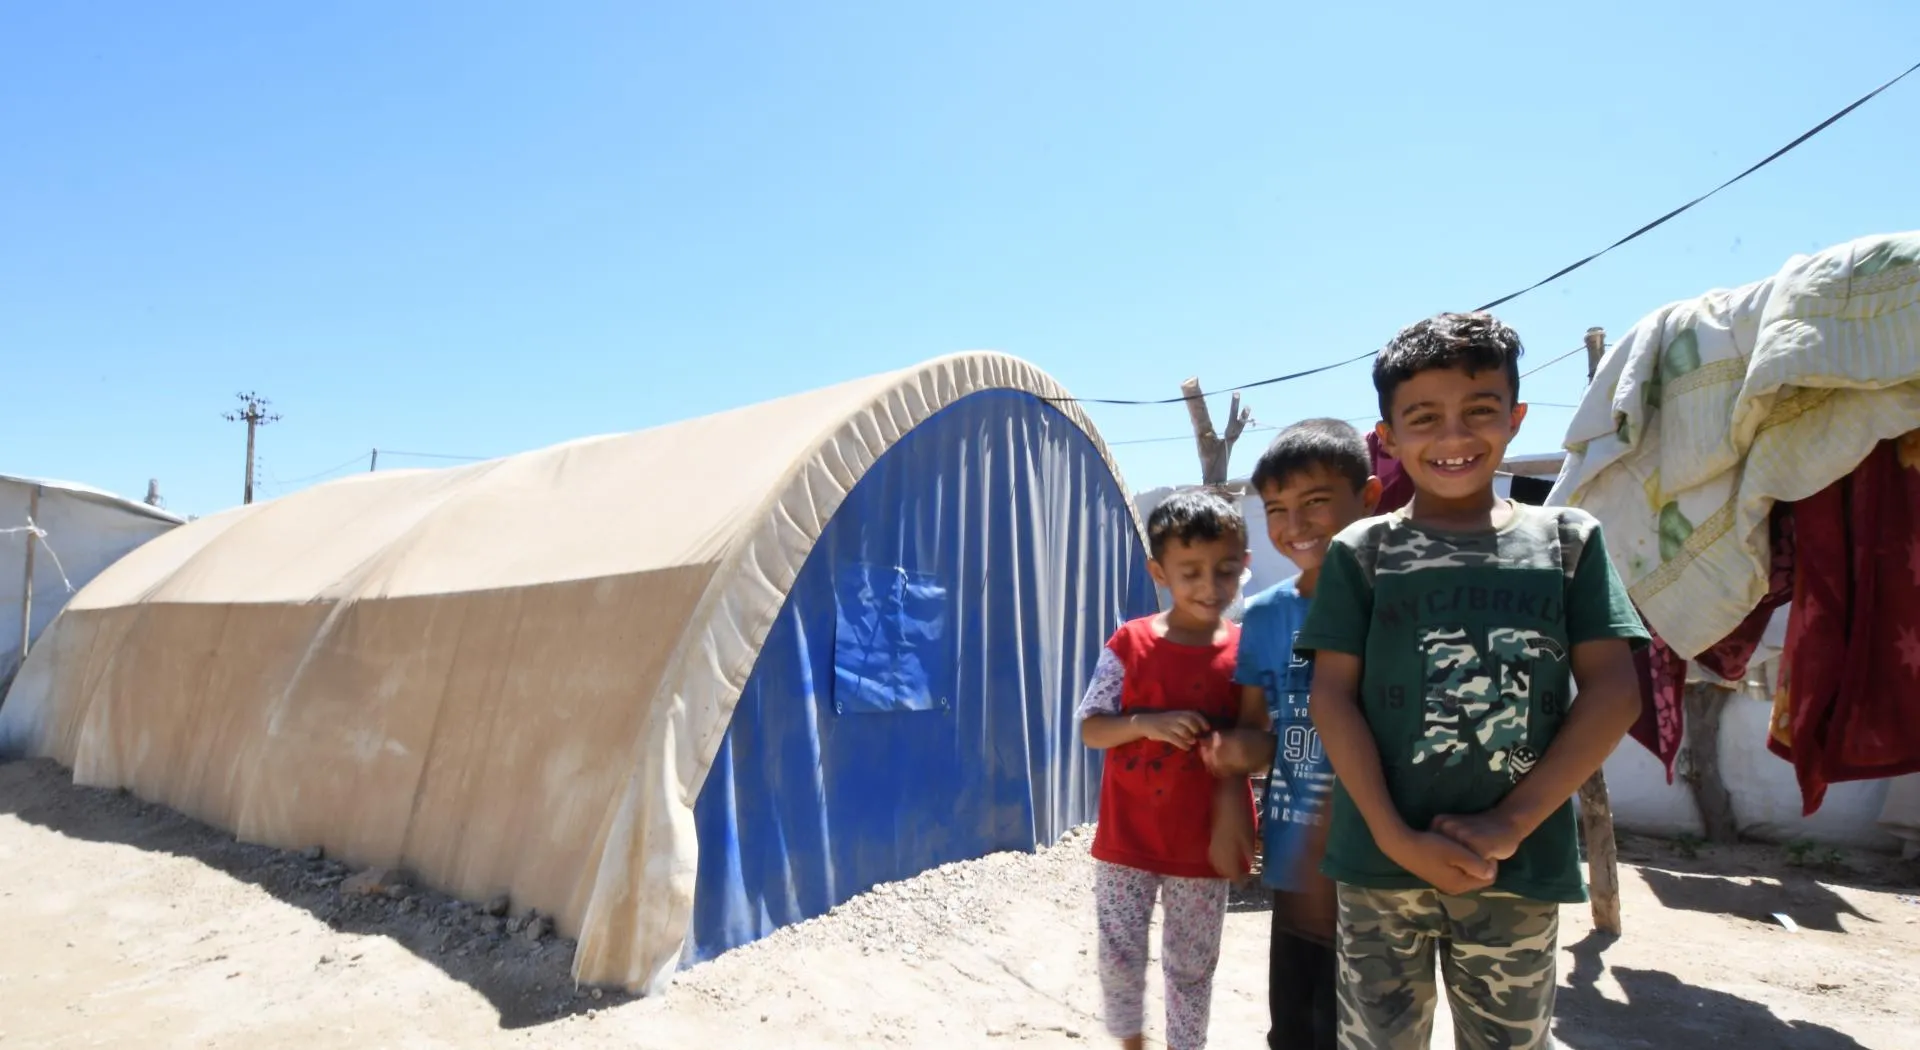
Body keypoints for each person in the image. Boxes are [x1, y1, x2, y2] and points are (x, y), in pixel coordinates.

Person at [1297, 312, 1648, 1050]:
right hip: (1378, 866)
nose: (1453, 438)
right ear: (1387, 437)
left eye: (1478, 412)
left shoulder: (1567, 541)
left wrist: (1509, 824)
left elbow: (1615, 693)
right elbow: (1331, 697)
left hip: (1516, 870)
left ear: (1516, 418)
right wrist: (1396, 838)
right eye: (1424, 419)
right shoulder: (1362, 553)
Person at [1199, 418, 1380, 1050]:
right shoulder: (1269, 614)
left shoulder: (1396, 603)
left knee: (1373, 1025)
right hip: (1300, 853)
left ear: (1370, 499)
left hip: (1385, 860)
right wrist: (1229, 778)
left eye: (1315, 502)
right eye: (1276, 509)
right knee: (1298, 1026)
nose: (1294, 525)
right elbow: (1257, 730)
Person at [1076, 488, 1255, 1050]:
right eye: (1191, 571)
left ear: (1244, 567)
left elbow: (1259, 738)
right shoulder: (1128, 643)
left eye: (1225, 570)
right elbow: (1090, 727)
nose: (1210, 587)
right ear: (1159, 571)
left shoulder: (1246, 652)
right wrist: (1146, 724)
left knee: (1192, 968)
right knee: (1119, 955)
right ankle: (1130, 1042)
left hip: (1201, 849)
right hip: (1127, 839)